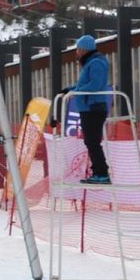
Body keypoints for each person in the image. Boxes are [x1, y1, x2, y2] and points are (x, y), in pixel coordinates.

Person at [60, 34, 111, 184]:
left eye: (78, 49)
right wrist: (70, 89)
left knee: (92, 141)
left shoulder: (96, 63)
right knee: (90, 141)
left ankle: (101, 173)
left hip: (93, 107)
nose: (76, 53)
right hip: (88, 107)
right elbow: (85, 84)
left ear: (83, 49)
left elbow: (95, 85)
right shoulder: (90, 63)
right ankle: (99, 172)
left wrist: (76, 92)